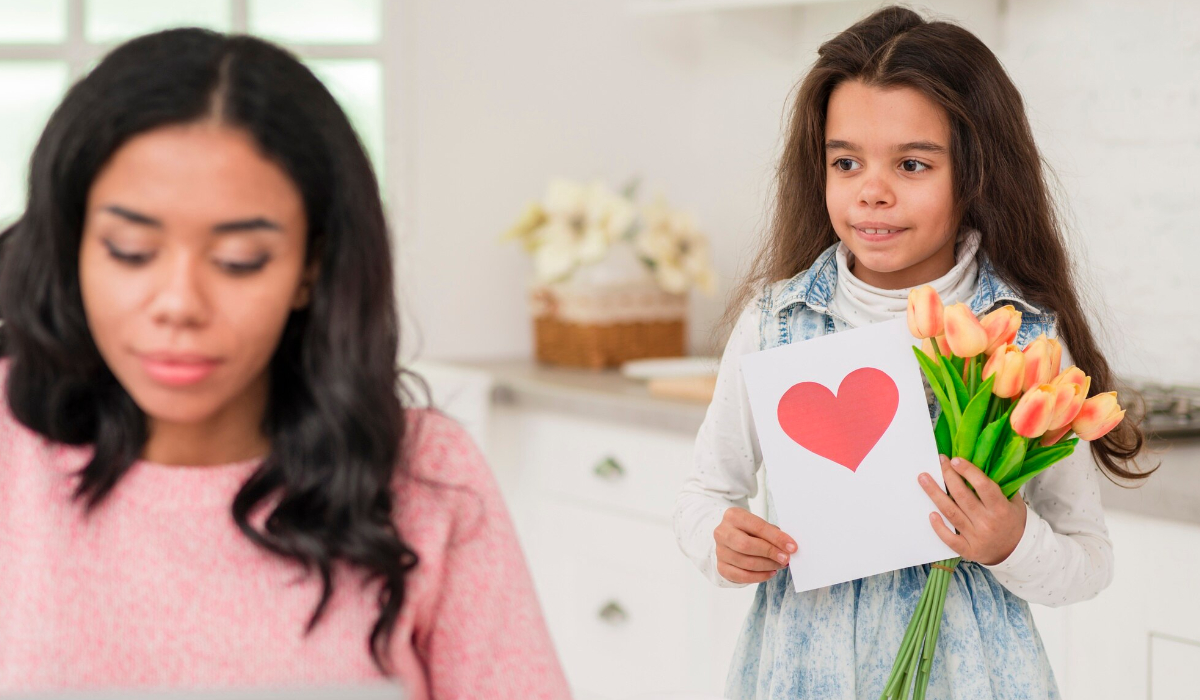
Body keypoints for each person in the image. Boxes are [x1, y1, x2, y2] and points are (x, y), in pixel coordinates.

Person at [0, 28, 570, 700]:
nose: (179, 304)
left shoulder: (427, 473)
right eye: (130, 250)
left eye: (239, 261)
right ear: (73, 248)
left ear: (310, 268)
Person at [672, 6, 1150, 698]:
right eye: (846, 162)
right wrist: (719, 540)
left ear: (977, 174)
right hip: (804, 674)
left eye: (912, 164)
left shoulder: (1026, 340)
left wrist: (1011, 542)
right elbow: (704, 493)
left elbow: (1088, 560)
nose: (872, 191)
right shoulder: (775, 323)